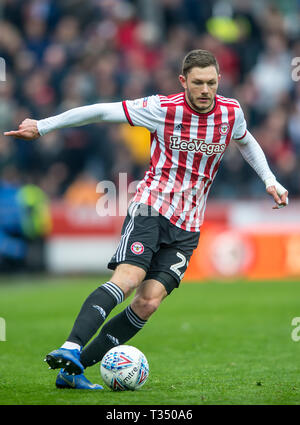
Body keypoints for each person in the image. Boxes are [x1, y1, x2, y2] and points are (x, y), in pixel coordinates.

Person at [4, 50, 288, 390]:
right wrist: (44, 126)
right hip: (151, 209)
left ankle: (72, 371)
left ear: (219, 82)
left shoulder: (231, 113)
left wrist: (269, 180)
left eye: (211, 83)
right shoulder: (161, 108)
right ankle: (71, 345)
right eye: (197, 83)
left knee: (149, 301)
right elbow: (100, 110)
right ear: (183, 82)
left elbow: (246, 142)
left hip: (188, 226)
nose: (205, 90)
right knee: (129, 278)